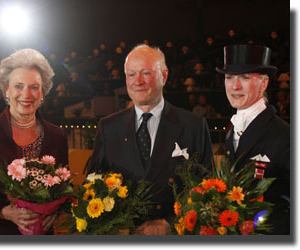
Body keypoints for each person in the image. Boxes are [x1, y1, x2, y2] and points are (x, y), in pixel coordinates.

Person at [87, 44, 213, 235]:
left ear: (165, 75)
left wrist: (170, 224)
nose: (138, 81)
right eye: (131, 74)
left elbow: (207, 190)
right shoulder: (108, 127)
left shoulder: (194, 126)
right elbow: (92, 187)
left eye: (146, 73)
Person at [0, 48, 69, 234]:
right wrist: (2, 212)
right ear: (6, 90)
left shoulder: (58, 136)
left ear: (43, 92)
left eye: (34, 87)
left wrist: (55, 213)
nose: (26, 94)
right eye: (18, 86)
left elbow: (63, 190)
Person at [216, 44, 290, 235]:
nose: (235, 86)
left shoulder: (285, 135)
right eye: (229, 77)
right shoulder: (232, 130)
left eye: (245, 77)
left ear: (264, 83)